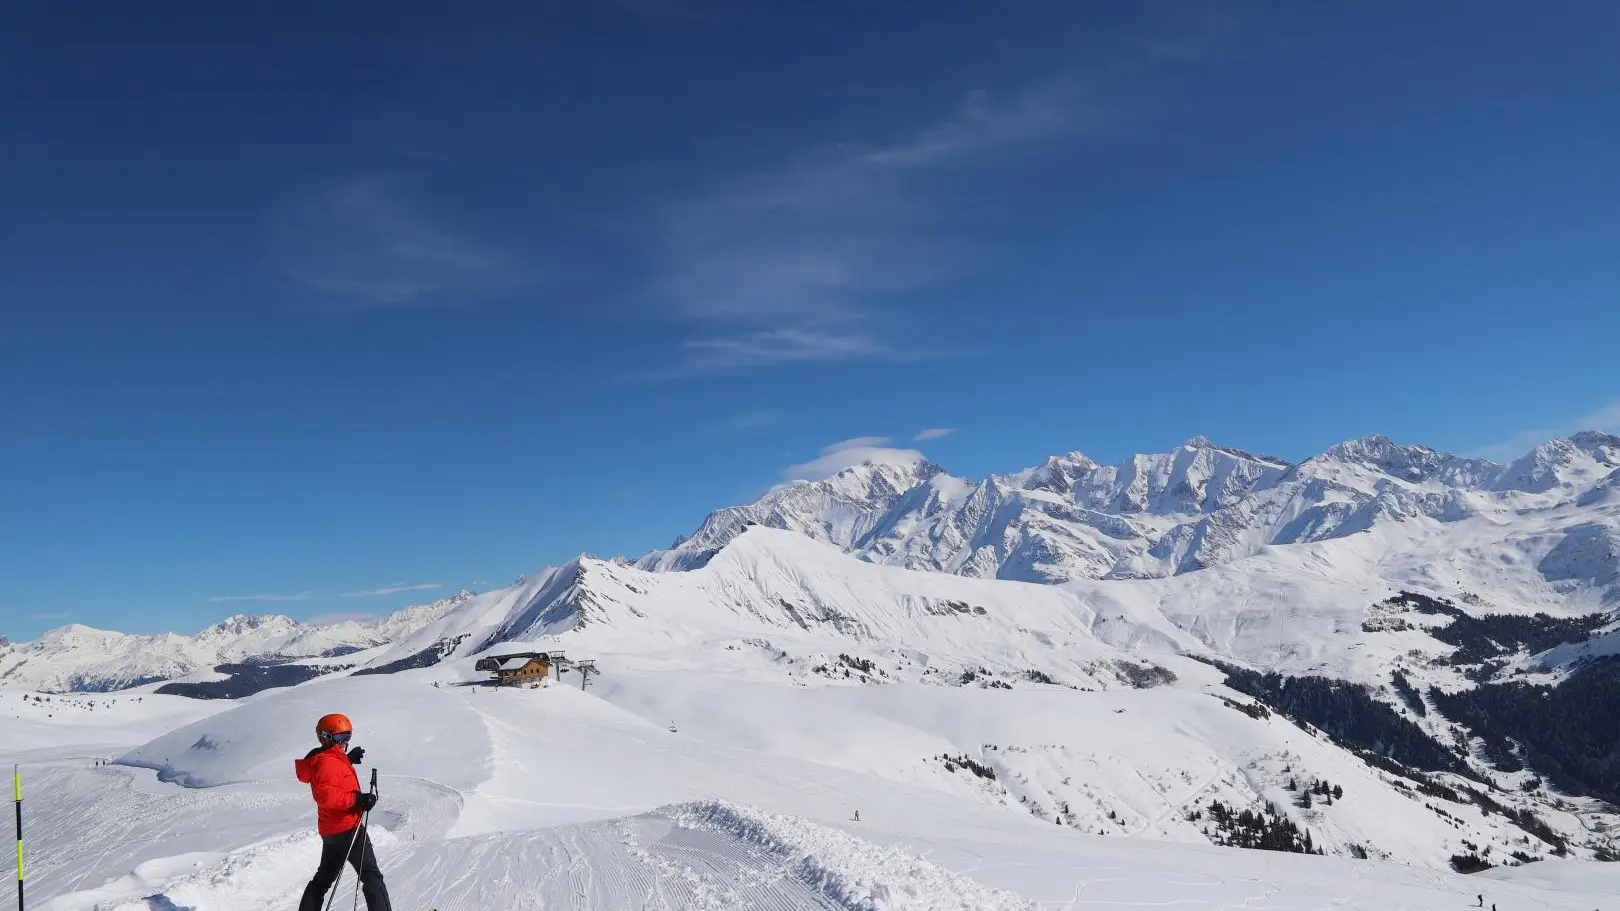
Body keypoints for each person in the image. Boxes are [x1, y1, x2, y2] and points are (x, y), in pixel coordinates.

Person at [295, 713, 393, 911]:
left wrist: (347, 759)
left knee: (322, 880)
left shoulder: (326, 759)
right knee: (372, 876)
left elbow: (331, 776)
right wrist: (359, 800)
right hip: (348, 829)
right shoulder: (327, 763)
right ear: (326, 738)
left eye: (348, 736)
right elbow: (329, 798)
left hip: (332, 831)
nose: (345, 742)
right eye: (341, 737)